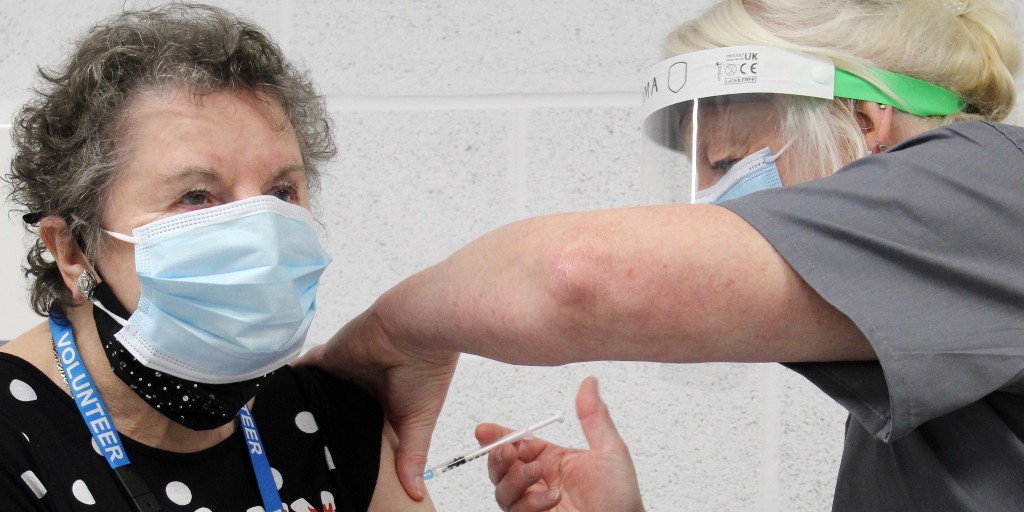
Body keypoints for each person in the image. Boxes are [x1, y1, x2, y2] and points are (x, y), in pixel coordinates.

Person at [300, 0, 1024, 510]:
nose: (707, 201)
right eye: (702, 168)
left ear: (865, 124)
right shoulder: (926, 316)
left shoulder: (987, 182)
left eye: (733, 158)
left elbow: (573, 276)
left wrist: (386, 339)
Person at [0, 4, 434, 511]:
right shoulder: (13, 437)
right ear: (73, 251)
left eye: (281, 192)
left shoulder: (331, 418)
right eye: (197, 196)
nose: (258, 232)